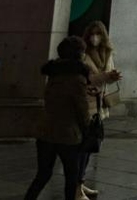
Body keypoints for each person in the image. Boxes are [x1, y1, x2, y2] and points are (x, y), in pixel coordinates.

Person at [23, 36, 90, 200]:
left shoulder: (54, 75)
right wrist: (87, 131)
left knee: (43, 174)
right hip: (68, 133)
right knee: (71, 176)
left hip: (46, 130)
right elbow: (82, 109)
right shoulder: (78, 79)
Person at [78, 21, 121, 199]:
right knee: (83, 148)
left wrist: (113, 77)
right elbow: (87, 79)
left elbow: (107, 76)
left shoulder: (107, 53)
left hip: (99, 105)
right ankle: (76, 186)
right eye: (92, 34)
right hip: (87, 105)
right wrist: (105, 76)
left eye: (98, 34)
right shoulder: (83, 55)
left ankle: (81, 182)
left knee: (90, 147)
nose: (95, 37)